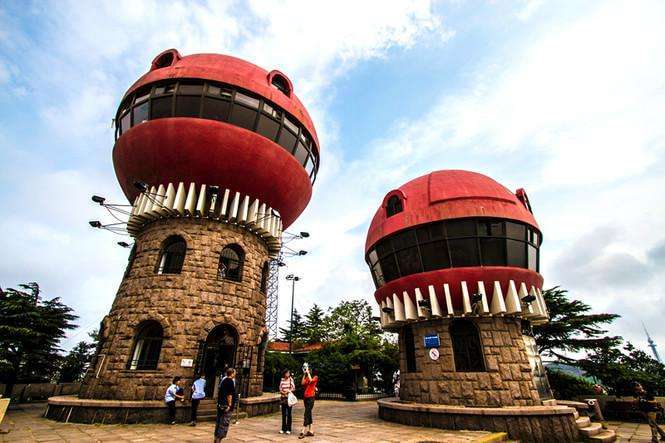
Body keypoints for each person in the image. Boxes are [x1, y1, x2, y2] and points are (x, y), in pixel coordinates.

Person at [214, 368, 237, 442]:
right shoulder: (230, 381)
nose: (235, 374)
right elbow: (229, 395)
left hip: (221, 404)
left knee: (219, 421)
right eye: (234, 373)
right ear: (232, 373)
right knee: (224, 422)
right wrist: (229, 405)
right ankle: (219, 438)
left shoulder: (223, 380)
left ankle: (216, 437)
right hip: (226, 406)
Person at [299, 367, 318, 439]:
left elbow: (311, 381)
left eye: (309, 370)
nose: (308, 371)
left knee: (306, 413)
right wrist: (304, 374)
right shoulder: (307, 377)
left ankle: (303, 431)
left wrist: (308, 373)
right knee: (308, 413)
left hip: (311, 398)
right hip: (305, 397)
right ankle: (311, 431)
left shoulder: (315, 377)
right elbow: (302, 383)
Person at [279, 369, 296, 434]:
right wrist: (282, 392)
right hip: (283, 398)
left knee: (289, 413)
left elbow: (293, 388)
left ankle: (289, 429)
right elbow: (280, 388)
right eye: (287, 373)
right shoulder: (282, 380)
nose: (288, 374)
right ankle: (283, 428)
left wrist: (287, 392)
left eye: (288, 373)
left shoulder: (291, 380)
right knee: (283, 414)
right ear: (284, 374)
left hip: (289, 398)